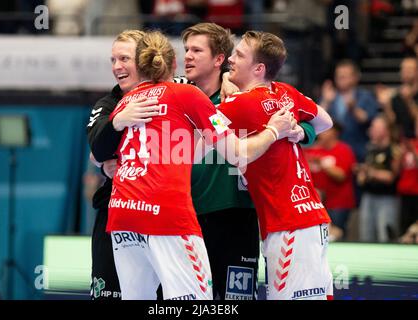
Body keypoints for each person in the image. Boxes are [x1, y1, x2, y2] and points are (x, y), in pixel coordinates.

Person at [106, 30, 302, 300]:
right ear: (172, 63)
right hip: (165, 214)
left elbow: (179, 153)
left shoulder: (125, 102)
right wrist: (273, 131)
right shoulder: (187, 94)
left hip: (121, 214)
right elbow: (237, 154)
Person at [182, 22, 317, 300]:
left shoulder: (242, 96)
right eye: (186, 50)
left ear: (219, 59)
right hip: (189, 214)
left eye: (196, 50)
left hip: (237, 211)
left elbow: (308, 122)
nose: (187, 56)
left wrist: (301, 132)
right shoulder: (180, 95)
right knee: (190, 297)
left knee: (237, 297)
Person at [217, 30, 334, 300]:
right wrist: (301, 132)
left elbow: (202, 123)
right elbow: (326, 121)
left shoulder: (240, 103)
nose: (231, 59)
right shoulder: (286, 93)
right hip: (309, 216)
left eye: (239, 55)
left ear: (258, 68)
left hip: (289, 224)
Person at [86, 30, 162, 300]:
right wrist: (120, 120)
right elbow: (97, 148)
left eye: (124, 58)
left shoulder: (171, 93)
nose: (117, 66)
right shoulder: (108, 104)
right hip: (114, 217)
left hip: (161, 219)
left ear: (144, 60)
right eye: (113, 59)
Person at [304, 122, 357, 241]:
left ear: (334, 132)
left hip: (338, 203)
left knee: (336, 235)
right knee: (316, 237)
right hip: (316, 204)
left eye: (325, 130)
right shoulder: (312, 150)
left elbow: (341, 176)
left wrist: (322, 163)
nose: (321, 132)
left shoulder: (344, 150)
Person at [320, 59, 379, 163]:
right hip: (332, 152)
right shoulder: (330, 96)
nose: (340, 79)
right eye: (338, 76)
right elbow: (317, 120)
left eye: (344, 76)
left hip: (357, 150)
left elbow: (368, 119)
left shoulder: (365, 96)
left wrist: (353, 108)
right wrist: (326, 101)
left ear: (355, 77)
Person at [356, 115, 400, 243]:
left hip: (387, 198)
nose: (371, 130)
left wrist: (369, 172)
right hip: (368, 196)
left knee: (385, 235)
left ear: (385, 130)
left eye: (375, 127)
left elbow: (391, 176)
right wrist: (362, 175)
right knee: (365, 235)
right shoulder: (371, 149)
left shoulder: (393, 150)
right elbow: (364, 174)